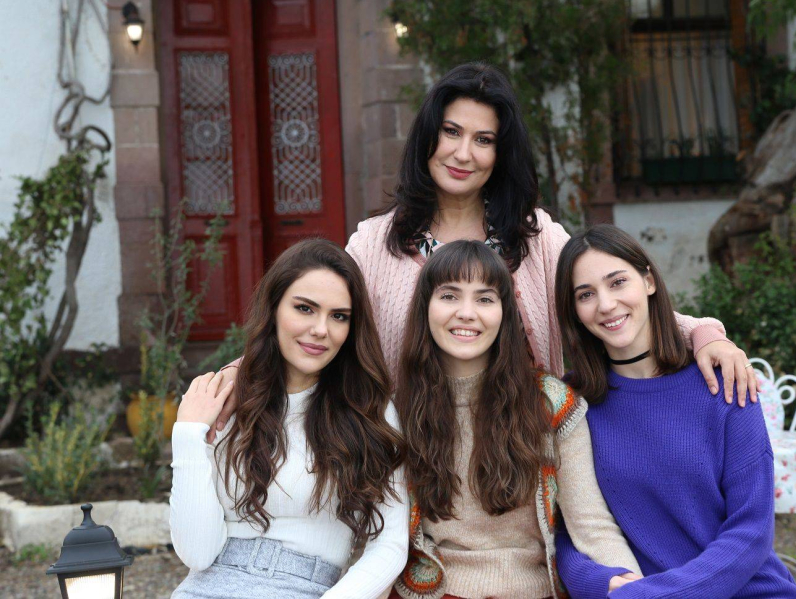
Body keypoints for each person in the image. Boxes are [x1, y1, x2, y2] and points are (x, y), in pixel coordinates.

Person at [210, 62, 757, 440]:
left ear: (501, 153)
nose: (462, 153)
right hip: (411, 459)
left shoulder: (537, 239)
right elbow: (320, 318)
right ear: (428, 136)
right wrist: (241, 369)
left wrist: (705, 334)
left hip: (527, 457)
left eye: (484, 139)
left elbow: (609, 303)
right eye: (451, 132)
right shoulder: (375, 244)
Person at [552, 225, 796, 598]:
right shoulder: (571, 403)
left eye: (618, 282)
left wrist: (653, 595)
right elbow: (568, 527)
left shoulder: (723, 380)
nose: (605, 304)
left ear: (649, 281)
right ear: (574, 310)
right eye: (585, 294)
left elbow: (751, 532)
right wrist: (596, 582)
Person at [391, 240, 644, 599]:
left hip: (534, 590)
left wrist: (637, 590)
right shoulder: (397, 412)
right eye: (449, 296)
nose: (466, 313)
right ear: (425, 308)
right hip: (433, 590)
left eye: (484, 299)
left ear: (505, 313)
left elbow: (591, 526)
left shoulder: (550, 403)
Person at [169, 239, 408, 599]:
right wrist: (188, 435)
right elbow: (197, 554)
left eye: (339, 316)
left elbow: (390, 544)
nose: (321, 329)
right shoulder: (225, 400)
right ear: (274, 308)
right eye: (304, 308)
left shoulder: (369, 411)